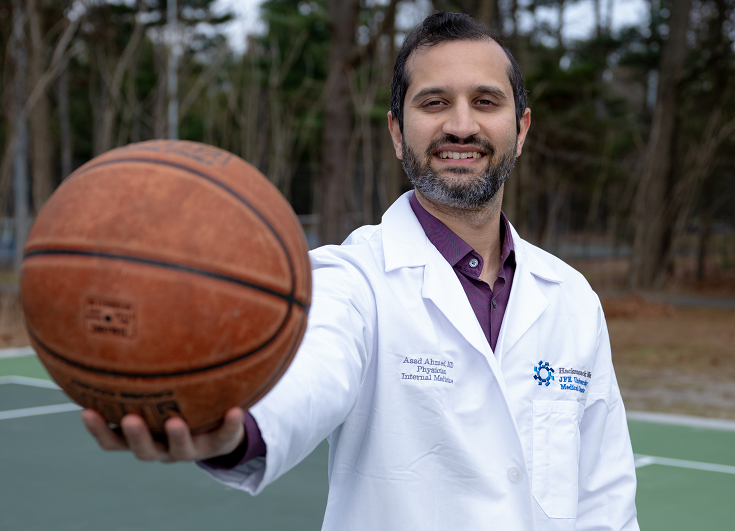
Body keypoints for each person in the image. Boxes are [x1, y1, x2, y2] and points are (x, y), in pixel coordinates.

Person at [82, 12, 640, 531]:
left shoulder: (572, 298)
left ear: (520, 129)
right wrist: (234, 432)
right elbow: (310, 376)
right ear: (397, 132)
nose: (461, 125)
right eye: (434, 102)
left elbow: (605, 499)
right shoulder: (350, 278)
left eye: (485, 101)